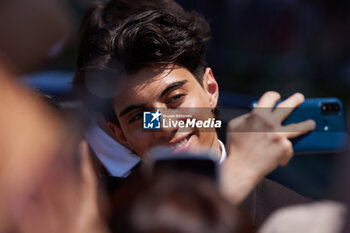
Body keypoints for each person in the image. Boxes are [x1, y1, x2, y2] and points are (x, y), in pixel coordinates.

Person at [73, 0, 316, 228]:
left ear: (211, 89)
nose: (164, 126)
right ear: (121, 135)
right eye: (138, 117)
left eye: (176, 99)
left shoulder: (300, 219)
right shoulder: (103, 219)